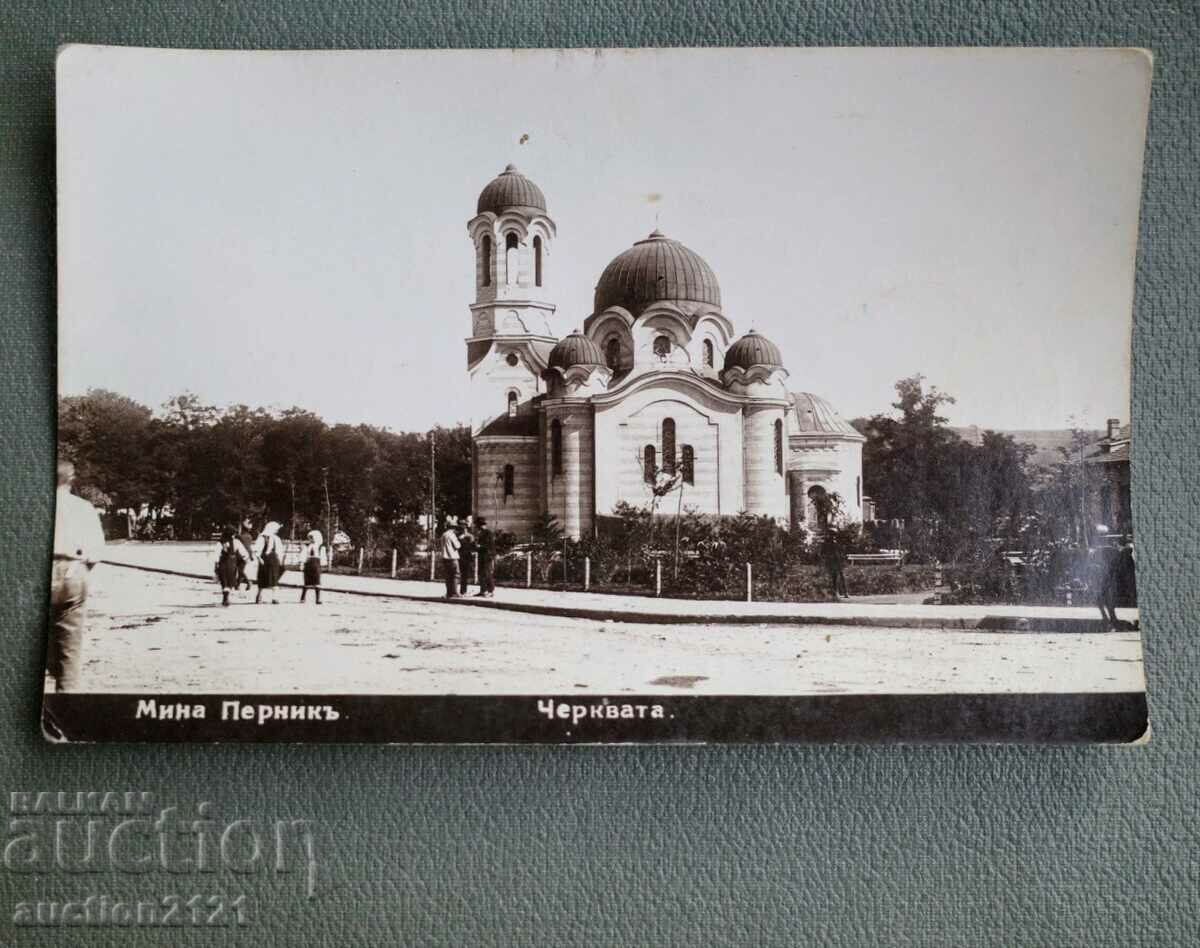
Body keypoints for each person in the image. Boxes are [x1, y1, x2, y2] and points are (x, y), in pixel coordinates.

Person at [47, 460, 105, 693]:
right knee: (70, 648)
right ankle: (66, 706)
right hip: (71, 570)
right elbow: (95, 553)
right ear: (71, 479)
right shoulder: (82, 507)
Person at [213, 526, 248, 607]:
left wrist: (216, 565)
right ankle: (227, 597)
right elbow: (244, 553)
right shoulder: (236, 542)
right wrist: (244, 559)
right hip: (232, 562)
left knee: (224, 580)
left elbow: (216, 555)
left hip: (222, 563)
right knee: (230, 580)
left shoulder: (220, 542)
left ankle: (225, 597)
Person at [254, 521, 284, 604]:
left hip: (274, 559)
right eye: (276, 529)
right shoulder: (262, 537)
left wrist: (280, 560)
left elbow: (279, 550)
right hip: (264, 559)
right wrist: (259, 558)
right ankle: (259, 596)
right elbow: (257, 549)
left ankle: (275, 597)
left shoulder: (277, 539)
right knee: (262, 577)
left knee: (274, 578)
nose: (277, 531)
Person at [821, 532, 848, 601]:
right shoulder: (826, 544)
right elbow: (823, 553)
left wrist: (842, 559)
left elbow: (841, 552)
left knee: (840, 576)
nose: (832, 537)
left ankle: (844, 592)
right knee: (834, 577)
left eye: (833, 536)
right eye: (831, 535)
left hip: (838, 562)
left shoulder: (837, 544)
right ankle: (836, 592)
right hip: (832, 562)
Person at [440, 516, 461, 598]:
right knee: (456, 575)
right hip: (453, 557)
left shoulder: (443, 535)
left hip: (445, 558)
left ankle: (449, 593)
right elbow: (457, 546)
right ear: (453, 528)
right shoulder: (452, 535)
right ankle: (455, 592)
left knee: (448, 576)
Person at [300, 529, 323, 605]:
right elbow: (303, 555)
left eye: (312, 538)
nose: (311, 540)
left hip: (316, 564)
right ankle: (303, 598)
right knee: (306, 582)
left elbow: (322, 557)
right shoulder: (307, 546)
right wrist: (302, 563)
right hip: (308, 564)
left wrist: (322, 565)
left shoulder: (320, 547)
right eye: (310, 538)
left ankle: (318, 599)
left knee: (317, 581)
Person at [474, 516, 495, 598]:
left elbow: (489, 545)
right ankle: (483, 590)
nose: (477, 527)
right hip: (482, 556)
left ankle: (491, 591)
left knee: (487, 573)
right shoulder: (481, 533)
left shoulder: (488, 533)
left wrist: (480, 546)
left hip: (487, 556)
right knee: (481, 573)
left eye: (478, 525)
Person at [457, 515, 477, 597]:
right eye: (461, 525)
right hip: (458, 556)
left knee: (464, 575)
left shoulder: (470, 536)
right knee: (458, 574)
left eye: (464, 525)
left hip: (466, 557)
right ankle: (456, 590)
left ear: (466, 526)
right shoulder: (457, 535)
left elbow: (473, 546)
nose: (462, 527)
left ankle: (463, 591)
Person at [236, 518, 256, 590]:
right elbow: (249, 547)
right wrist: (251, 555)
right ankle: (237, 585)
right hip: (247, 555)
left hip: (240, 555)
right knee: (240, 569)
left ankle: (248, 582)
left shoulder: (240, 537)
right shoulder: (250, 537)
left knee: (240, 570)